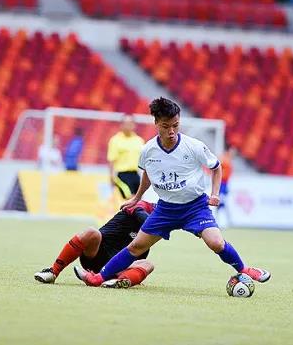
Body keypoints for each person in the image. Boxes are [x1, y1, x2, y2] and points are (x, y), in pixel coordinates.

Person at [74, 97, 270, 287]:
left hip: (195, 207)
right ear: (156, 123)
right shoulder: (148, 150)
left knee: (216, 243)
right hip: (166, 210)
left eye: (176, 125)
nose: (172, 131)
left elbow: (216, 167)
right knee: (136, 247)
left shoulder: (193, 146)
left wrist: (215, 193)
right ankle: (98, 278)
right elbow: (148, 174)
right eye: (166, 126)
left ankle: (245, 270)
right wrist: (136, 198)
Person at [34, 200, 155, 288]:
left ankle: (119, 281)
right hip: (97, 255)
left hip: (120, 266)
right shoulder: (142, 205)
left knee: (148, 264)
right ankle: (53, 272)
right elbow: (144, 216)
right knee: (91, 232)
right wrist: (161, 224)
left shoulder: (160, 218)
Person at [108, 114, 144, 199]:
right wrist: (111, 177)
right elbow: (111, 160)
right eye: (126, 123)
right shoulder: (115, 140)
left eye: (130, 123)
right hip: (122, 176)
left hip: (136, 175)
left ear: (134, 125)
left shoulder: (139, 140)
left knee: (138, 202)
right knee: (130, 199)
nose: (128, 126)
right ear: (121, 125)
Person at [216, 146, 236, 227]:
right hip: (221, 184)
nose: (234, 153)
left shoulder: (228, 160)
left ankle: (223, 221)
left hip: (225, 184)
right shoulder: (223, 159)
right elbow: (216, 169)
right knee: (221, 203)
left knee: (223, 203)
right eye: (232, 151)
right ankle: (221, 221)